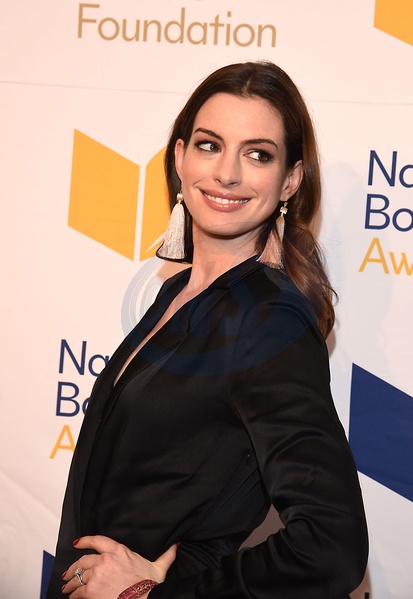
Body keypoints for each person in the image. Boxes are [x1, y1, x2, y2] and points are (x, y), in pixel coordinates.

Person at [47, 61, 368, 599]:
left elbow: (330, 546)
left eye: (258, 154)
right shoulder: (177, 292)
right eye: (209, 145)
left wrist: (148, 595)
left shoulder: (267, 319)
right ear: (179, 158)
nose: (227, 173)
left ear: (290, 180)